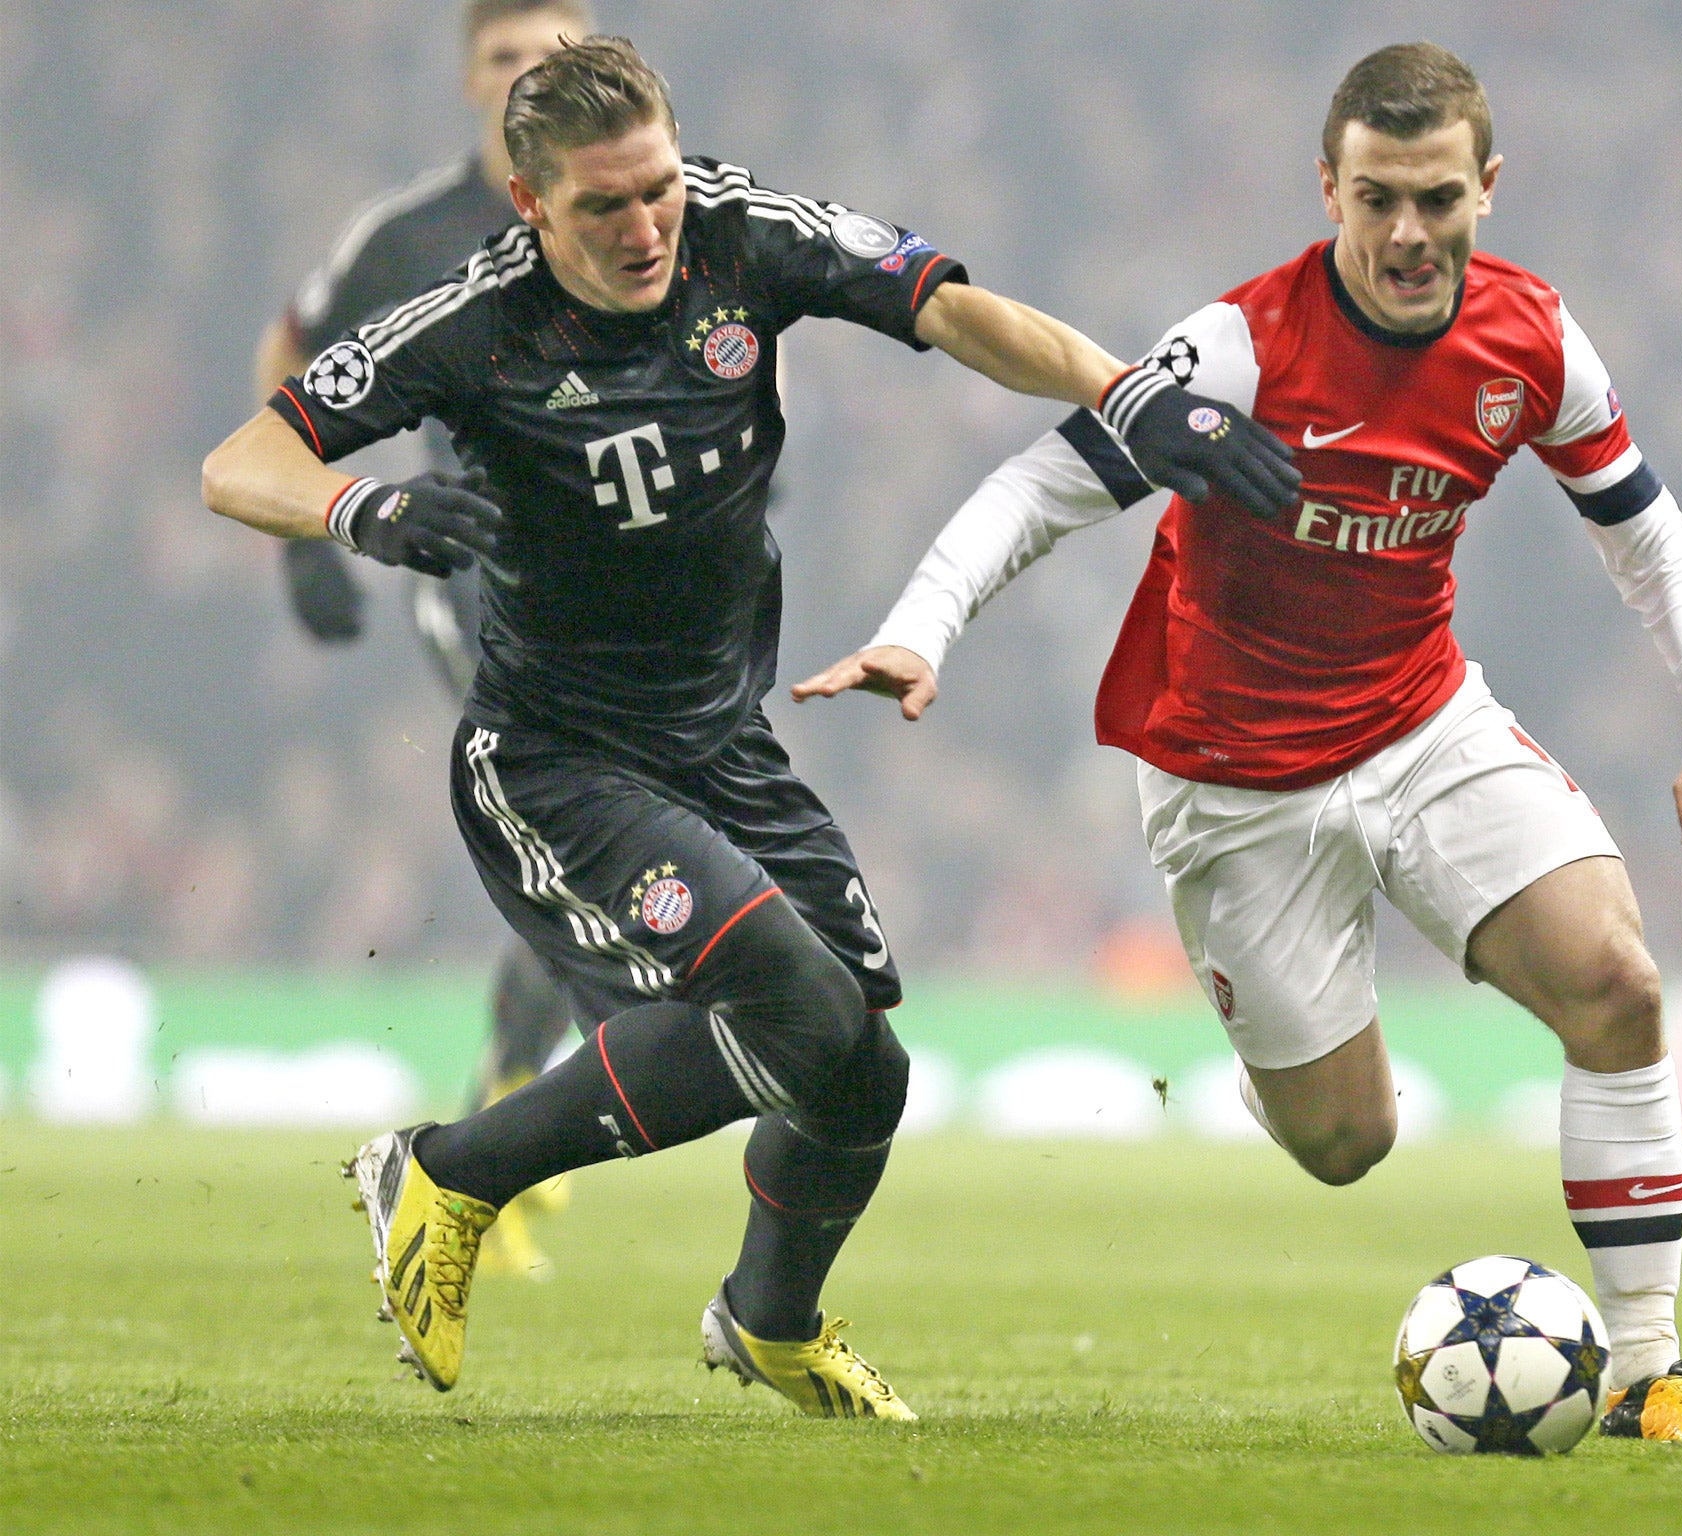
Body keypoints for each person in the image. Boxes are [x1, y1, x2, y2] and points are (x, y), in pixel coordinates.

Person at [201, 36, 1296, 1418]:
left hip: (720, 744)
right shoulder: (469, 324)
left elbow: (951, 308)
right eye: (604, 206)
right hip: (558, 760)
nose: (647, 224)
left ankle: (768, 1319)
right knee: (785, 1002)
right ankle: (447, 1171)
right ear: (532, 208)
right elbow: (242, 459)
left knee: (862, 1070)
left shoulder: (740, 235)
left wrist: (1121, 386)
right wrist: (359, 509)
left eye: (657, 185)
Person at [797, 42, 1682, 1442]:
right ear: (1326, 186)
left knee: (1618, 986)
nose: (1405, 233)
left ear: (1487, 190)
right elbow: (1043, 483)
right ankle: (1288, 1046)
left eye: (1436, 198)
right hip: (1231, 778)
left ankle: (1651, 1372)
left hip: (1420, 719)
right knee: (1347, 1145)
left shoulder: (1536, 340)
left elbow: (1653, 542)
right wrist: (923, 625)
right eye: (1376, 197)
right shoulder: (1241, 346)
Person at [254, 0, 593, 1280]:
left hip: (642, 596)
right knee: (580, 823)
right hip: (482, 578)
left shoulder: (650, 206)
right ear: (467, 82)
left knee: (603, 848)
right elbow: (291, 352)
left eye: (555, 55)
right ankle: (503, 1144)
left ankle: (516, 1104)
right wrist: (305, 533)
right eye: (507, 58)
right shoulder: (409, 238)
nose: (531, 76)